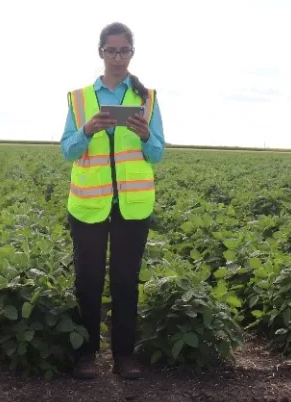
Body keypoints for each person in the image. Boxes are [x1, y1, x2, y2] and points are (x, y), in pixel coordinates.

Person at [60, 22, 165, 380]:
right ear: (100, 53)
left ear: (131, 54)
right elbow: (66, 149)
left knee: (124, 281)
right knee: (87, 281)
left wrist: (146, 134)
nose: (117, 57)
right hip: (89, 204)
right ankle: (87, 355)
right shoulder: (79, 98)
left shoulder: (146, 97)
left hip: (132, 205)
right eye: (111, 50)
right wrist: (87, 130)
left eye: (124, 51)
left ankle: (124, 357)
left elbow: (157, 153)